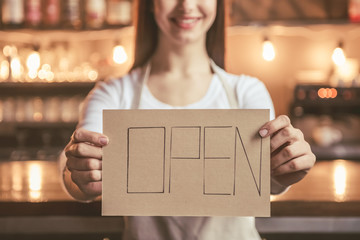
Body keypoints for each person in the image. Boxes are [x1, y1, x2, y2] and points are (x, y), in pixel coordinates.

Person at [59, 0, 316, 239]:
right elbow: (75, 168)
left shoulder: (247, 91)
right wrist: (81, 177)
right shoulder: (112, 93)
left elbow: (266, 179)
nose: (187, 6)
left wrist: (285, 168)